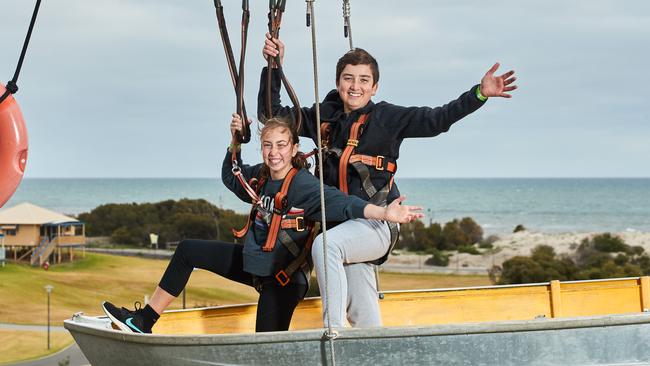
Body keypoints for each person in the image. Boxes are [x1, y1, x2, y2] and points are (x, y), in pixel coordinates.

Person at [259, 35, 517, 328]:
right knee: (365, 315)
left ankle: (333, 331)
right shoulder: (324, 116)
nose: (355, 86)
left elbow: (437, 120)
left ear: (374, 87)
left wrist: (478, 94)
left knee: (326, 245)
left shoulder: (387, 118)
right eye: (348, 78)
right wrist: (272, 68)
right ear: (338, 82)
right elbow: (272, 117)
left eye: (364, 80)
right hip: (344, 230)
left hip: (376, 225)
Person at [102, 114, 422, 333]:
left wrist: (384, 214)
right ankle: (145, 319)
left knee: (264, 350)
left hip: (281, 282)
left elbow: (343, 204)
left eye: (282, 145)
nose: (274, 152)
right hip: (254, 263)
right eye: (268, 145)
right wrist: (235, 142)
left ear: (294, 148)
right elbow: (232, 175)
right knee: (188, 251)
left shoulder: (304, 186)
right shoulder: (262, 175)